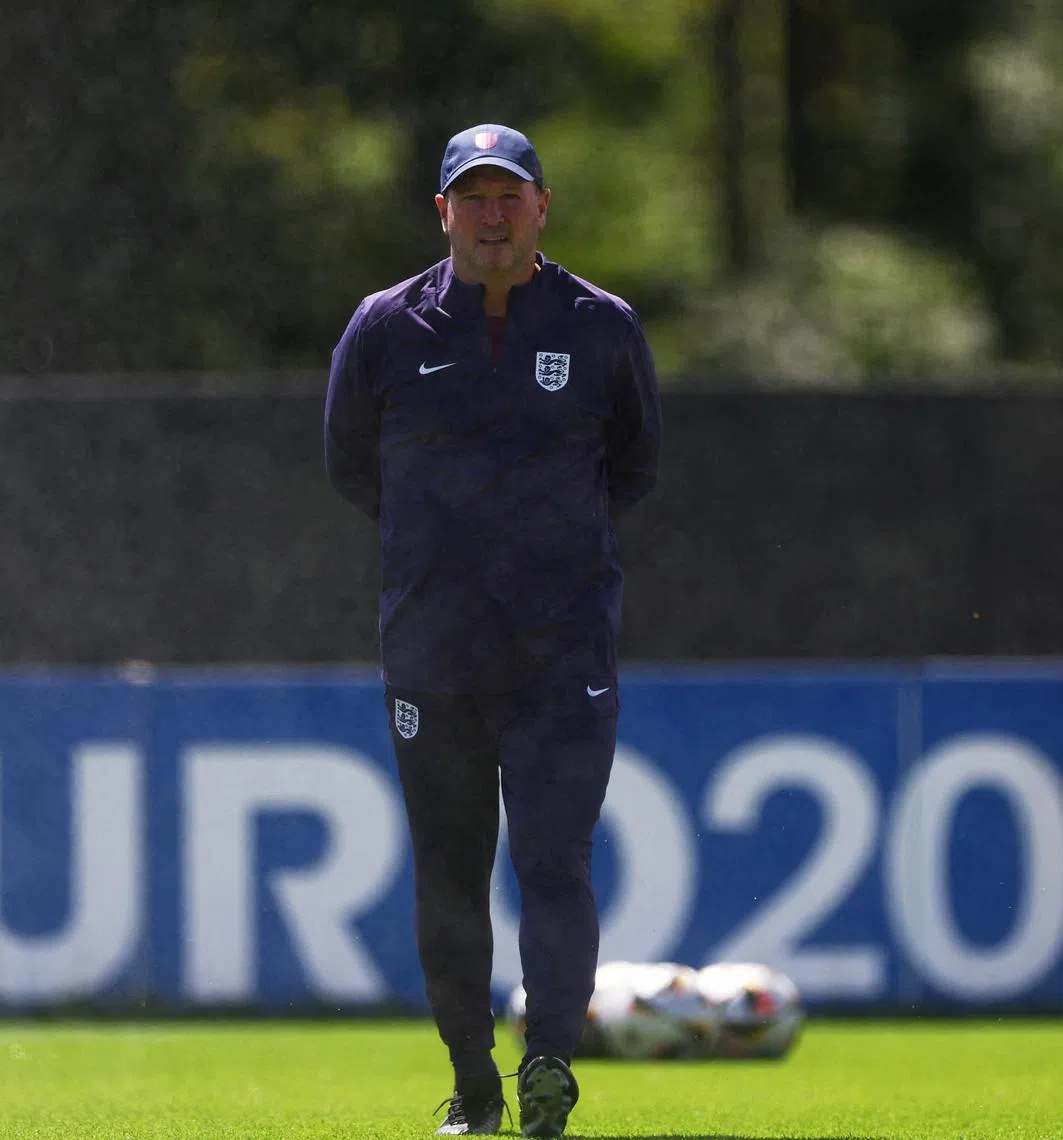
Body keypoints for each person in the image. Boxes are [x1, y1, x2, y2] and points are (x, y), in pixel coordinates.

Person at [324, 123, 661, 1137]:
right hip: (434, 650)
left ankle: (549, 1063)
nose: (492, 212)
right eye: (471, 196)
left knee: (556, 859)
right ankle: (473, 1081)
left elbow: (634, 470)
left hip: (563, 649)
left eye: (510, 193)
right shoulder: (385, 328)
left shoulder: (602, 326)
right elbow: (350, 467)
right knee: (450, 869)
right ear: (442, 213)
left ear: (542, 206)